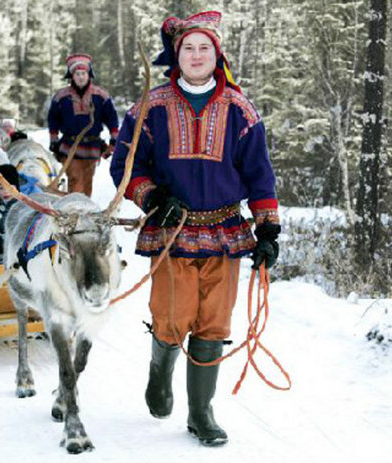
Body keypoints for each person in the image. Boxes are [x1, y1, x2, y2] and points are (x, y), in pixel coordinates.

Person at [110, 11, 281, 447]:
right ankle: (160, 374)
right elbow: (126, 165)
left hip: (225, 231)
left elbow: (260, 175)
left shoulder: (241, 111)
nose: (198, 55)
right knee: (171, 316)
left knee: (214, 323)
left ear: (216, 53)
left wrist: (267, 231)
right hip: (172, 230)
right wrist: (150, 197)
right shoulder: (150, 107)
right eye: (189, 48)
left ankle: (201, 413)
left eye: (205, 48)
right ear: (177, 54)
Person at [47, 53, 119, 196]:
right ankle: (74, 210)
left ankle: (84, 210)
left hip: (92, 146)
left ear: (89, 74)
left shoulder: (101, 95)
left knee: (87, 181)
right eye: (77, 73)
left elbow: (111, 118)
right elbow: (53, 119)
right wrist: (53, 140)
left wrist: (114, 139)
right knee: (74, 179)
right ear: (71, 76)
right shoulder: (61, 96)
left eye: (84, 73)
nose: (81, 77)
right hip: (70, 146)